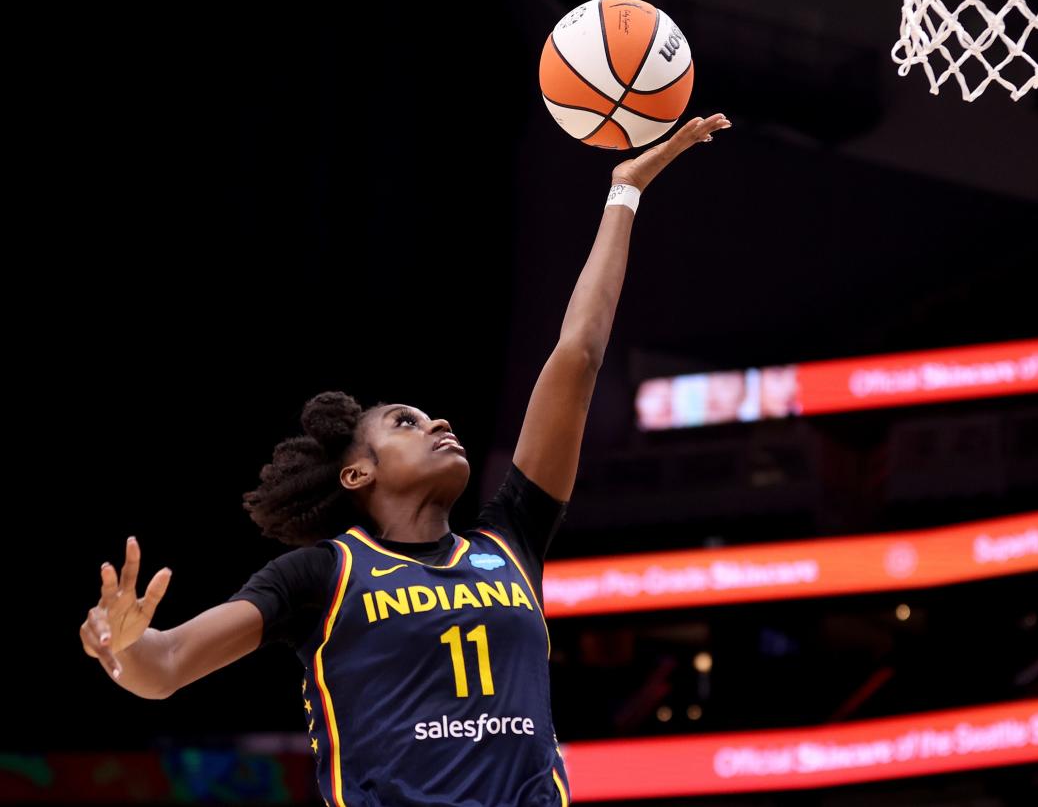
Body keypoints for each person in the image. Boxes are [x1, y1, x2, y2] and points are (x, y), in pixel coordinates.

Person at [79, 113, 731, 806]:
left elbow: (578, 356)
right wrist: (117, 647)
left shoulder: (511, 539)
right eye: (405, 422)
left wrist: (623, 193)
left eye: (432, 416)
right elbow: (169, 662)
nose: (439, 421)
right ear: (358, 473)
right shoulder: (321, 575)